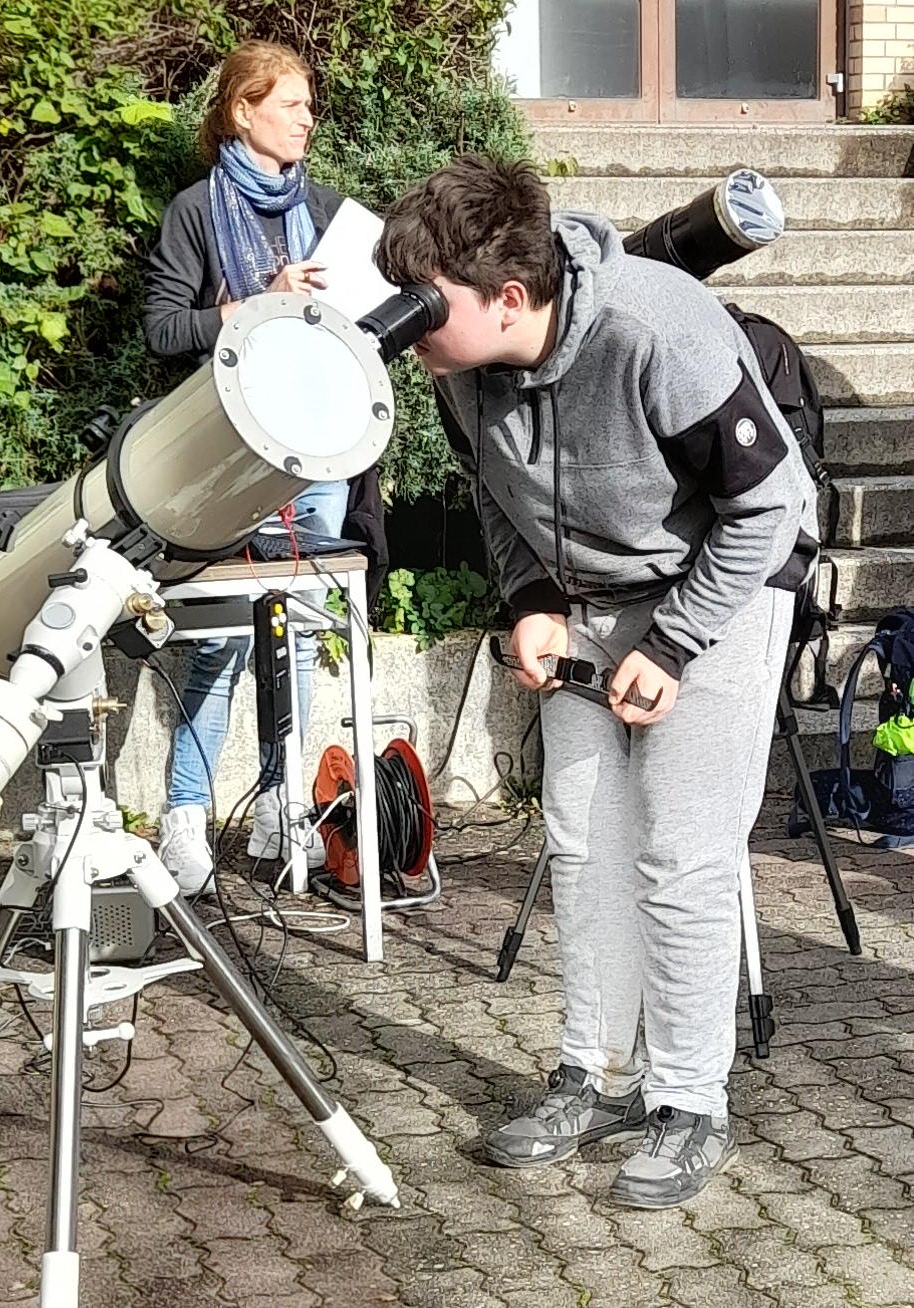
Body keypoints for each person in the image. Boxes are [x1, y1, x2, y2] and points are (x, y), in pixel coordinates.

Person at [375, 156, 817, 1209]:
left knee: (680, 856)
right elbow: (495, 487)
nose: (409, 330)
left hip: (723, 586)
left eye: (427, 307)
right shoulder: (459, 368)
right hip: (586, 596)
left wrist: (671, 649)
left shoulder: (656, 330)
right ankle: (593, 1074)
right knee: (580, 844)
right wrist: (528, 595)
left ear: (510, 299)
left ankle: (689, 1100)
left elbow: (769, 507)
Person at [143, 40, 355, 892]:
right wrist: (252, 306)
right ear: (242, 111)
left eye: (309, 105)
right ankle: (184, 816)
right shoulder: (196, 212)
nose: (307, 117)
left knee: (296, 636)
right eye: (291, 103)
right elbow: (163, 331)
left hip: (321, 449)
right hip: (230, 453)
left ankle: (280, 803)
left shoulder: (334, 210)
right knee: (223, 636)